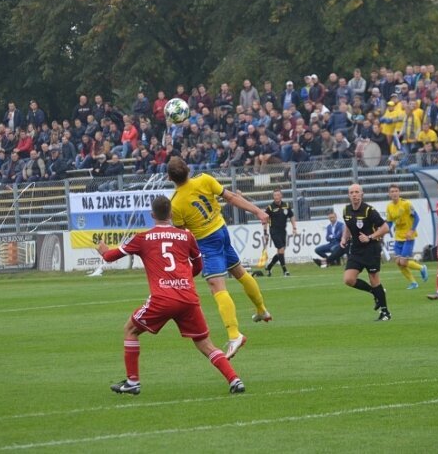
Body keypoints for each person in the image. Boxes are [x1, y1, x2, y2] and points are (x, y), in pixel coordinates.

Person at [95, 196, 244, 395]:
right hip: (188, 298)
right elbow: (199, 265)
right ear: (171, 214)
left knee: (130, 329)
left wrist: (103, 250)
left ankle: (132, 382)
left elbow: (110, 257)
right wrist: (183, 281)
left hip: (163, 299)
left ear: (152, 215)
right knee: (204, 344)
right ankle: (234, 379)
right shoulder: (187, 236)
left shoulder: (143, 238)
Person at [167, 157, 270, 360]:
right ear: (188, 170)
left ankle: (234, 335)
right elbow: (231, 197)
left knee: (217, 287)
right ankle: (261, 310)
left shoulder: (176, 203)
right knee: (239, 272)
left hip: (206, 241)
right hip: (222, 230)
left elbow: (182, 234)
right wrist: (258, 210)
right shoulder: (204, 179)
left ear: (170, 178)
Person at [340, 184, 392, 321]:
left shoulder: (369, 210)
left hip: (371, 249)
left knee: (374, 279)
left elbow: (385, 228)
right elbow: (347, 225)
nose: (354, 195)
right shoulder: (346, 210)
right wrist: (344, 238)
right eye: (351, 192)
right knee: (348, 279)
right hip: (356, 250)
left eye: (357, 192)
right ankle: (374, 293)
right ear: (348, 195)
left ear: (362, 194)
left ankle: (385, 312)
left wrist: (370, 237)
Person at [386, 184, 428, 289]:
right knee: (398, 262)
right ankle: (413, 283)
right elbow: (389, 223)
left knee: (403, 261)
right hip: (398, 237)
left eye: (396, 191)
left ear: (399, 192)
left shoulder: (406, 204)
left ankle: (422, 268)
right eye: (392, 191)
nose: (394, 193)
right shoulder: (389, 207)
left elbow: (417, 218)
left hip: (408, 237)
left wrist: (411, 231)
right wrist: (382, 231)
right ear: (389, 194)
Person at [264, 188, 297, 277]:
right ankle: (285, 271)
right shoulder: (270, 207)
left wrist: (294, 227)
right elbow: (265, 220)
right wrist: (265, 233)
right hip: (274, 231)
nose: (277, 197)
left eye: (278, 195)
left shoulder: (286, 205)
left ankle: (270, 266)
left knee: (280, 252)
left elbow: (292, 216)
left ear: (281, 196)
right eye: (275, 195)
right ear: (273, 197)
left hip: (283, 231)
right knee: (281, 249)